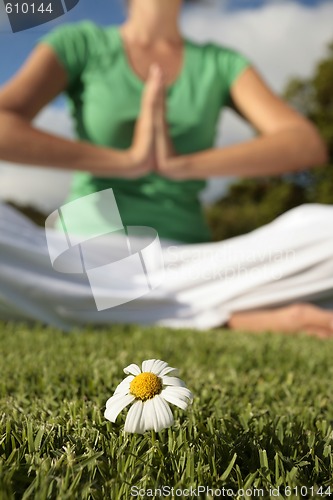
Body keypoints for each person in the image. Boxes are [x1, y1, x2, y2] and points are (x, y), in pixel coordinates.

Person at [0, 0, 332, 337]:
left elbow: (303, 143)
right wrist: (128, 162)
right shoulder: (79, 44)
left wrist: (180, 165)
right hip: (83, 256)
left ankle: (138, 308)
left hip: (191, 265)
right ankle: (221, 314)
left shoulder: (220, 63)